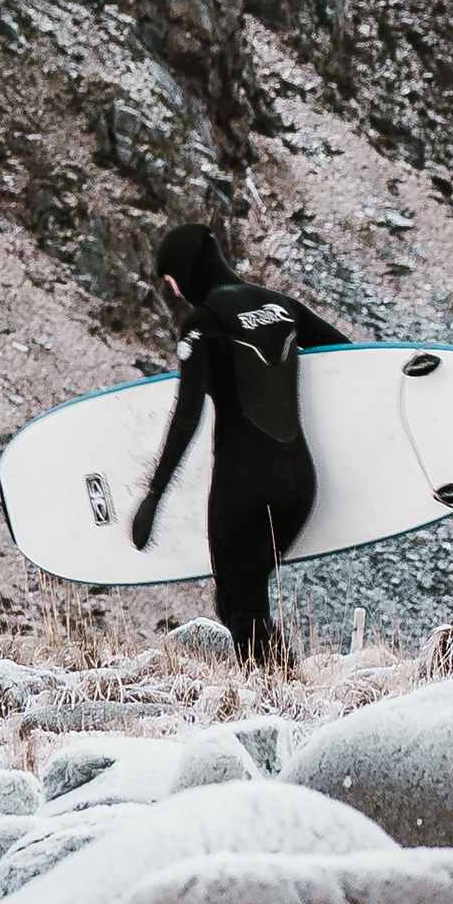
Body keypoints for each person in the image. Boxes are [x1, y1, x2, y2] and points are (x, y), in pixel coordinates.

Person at [131, 222, 348, 665]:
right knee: (243, 600)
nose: (175, 291)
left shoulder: (205, 321)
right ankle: (285, 691)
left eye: (172, 280)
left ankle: (279, 706)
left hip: (244, 490)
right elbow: (350, 358)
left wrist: (153, 496)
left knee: (240, 607)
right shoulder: (282, 306)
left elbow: (187, 415)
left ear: (187, 270)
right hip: (299, 486)